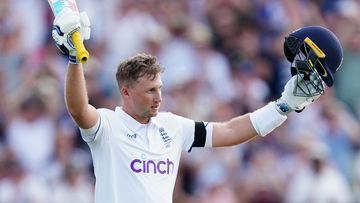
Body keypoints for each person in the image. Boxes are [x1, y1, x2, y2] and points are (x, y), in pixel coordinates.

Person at [50, 8, 343, 203]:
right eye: (150, 90)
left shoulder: (172, 126)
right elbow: (78, 109)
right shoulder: (107, 126)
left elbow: (229, 132)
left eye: (160, 89)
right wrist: (75, 59)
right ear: (125, 92)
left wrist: (282, 107)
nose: (158, 97)